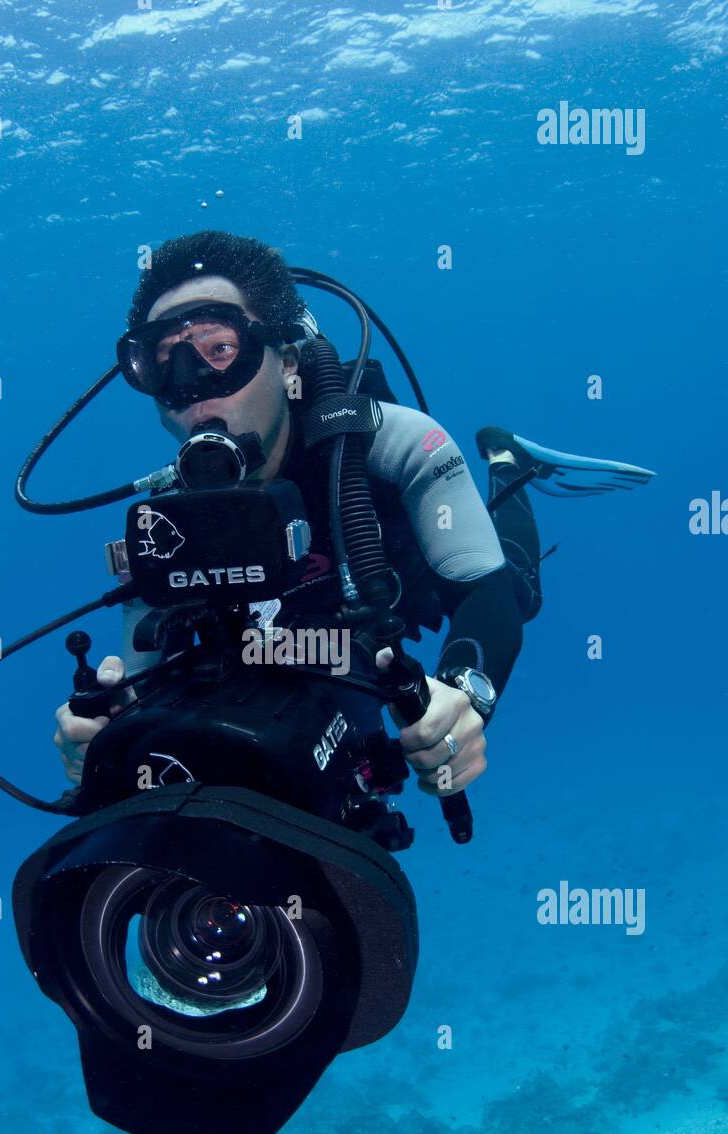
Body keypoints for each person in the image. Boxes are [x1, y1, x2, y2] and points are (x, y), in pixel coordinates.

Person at [53, 231, 633, 798]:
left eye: (219, 349)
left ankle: (506, 459)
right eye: (162, 364)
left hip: (396, 581)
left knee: (520, 590)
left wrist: (465, 699)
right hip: (304, 650)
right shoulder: (165, 521)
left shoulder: (397, 442)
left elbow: (485, 591)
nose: (192, 388)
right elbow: (141, 672)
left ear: (285, 361)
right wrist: (105, 730)